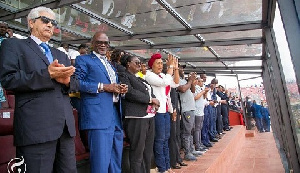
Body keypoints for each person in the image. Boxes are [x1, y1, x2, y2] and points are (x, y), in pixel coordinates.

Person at [0, 6, 78, 172]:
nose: (50, 25)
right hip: (36, 128)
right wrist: (47, 74)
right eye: (45, 20)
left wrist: (67, 82)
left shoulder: (61, 53)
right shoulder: (13, 46)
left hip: (64, 129)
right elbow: (8, 79)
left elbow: (76, 83)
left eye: (53, 22)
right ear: (31, 23)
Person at [74, 31, 128, 173]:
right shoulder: (83, 59)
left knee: (116, 160)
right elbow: (77, 83)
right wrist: (104, 87)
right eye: (99, 42)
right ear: (93, 44)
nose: (103, 45)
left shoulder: (110, 64)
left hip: (115, 114)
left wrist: (120, 89)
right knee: (100, 162)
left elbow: (112, 86)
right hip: (98, 116)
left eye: (106, 43)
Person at [118, 54, 159, 173]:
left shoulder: (139, 78)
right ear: (128, 64)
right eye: (136, 62)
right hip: (136, 117)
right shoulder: (123, 75)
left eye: (140, 63)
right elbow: (130, 92)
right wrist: (150, 100)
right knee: (138, 151)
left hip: (149, 116)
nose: (139, 65)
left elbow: (150, 92)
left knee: (147, 150)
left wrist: (156, 102)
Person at [145, 53, 178, 173]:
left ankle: (167, 166)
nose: (161, 65)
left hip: (165, 111)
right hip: (156, 112)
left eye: (161, 63)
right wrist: (170, 68)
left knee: (166, 139)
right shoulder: (148, 75)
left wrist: (175, 68)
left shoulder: (163, 75)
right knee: (159, 140)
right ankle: (162, 168)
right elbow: (164, 83)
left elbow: (175, 83)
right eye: (158, 63)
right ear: (151, 65)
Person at [177, 67, 202, 161]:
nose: (183, 70)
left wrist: (191, 80)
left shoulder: (184, 80)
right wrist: (190, 81)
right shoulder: (177, 80)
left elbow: (192, 90)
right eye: (181, 69)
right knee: (186, 132)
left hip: (191, 108)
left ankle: (192, 149)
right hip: (185, 109)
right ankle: (187, 152)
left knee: (191, 130)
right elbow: (183, 89)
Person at [193, 78, 209, 151]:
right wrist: (203, 91)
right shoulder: (195, 88)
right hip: (196, 111)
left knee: (200, 128)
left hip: (201, 111)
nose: (203, 82)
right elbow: (195, 97)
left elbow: (204, 97)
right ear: (197, 81)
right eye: (201, 81)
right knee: (197, 129)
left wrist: (205, 92)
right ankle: (197, 145)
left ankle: (199, 143)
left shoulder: (200, 88)